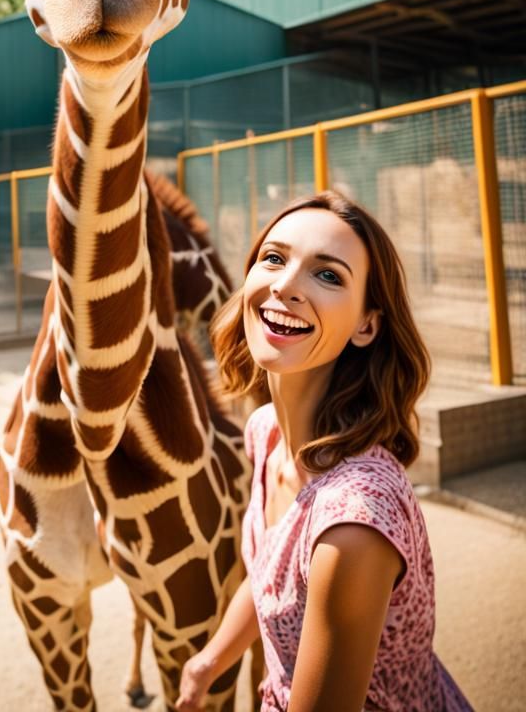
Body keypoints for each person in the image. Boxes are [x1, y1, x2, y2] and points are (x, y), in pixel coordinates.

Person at [176, 191, 472, 712]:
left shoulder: (353, 528)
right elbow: (274, 570)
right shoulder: (266, 433)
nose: (286, 285)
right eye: (274, 258)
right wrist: (211, 660)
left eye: (328, 275)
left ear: (366, 325)